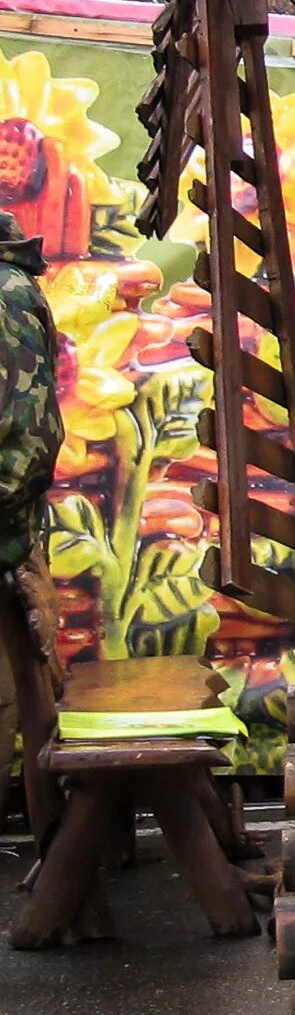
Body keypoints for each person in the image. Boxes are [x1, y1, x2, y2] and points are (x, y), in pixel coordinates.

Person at [0, 211, 63, 830]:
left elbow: (32, 435)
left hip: (4, 545)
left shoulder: (5, 295)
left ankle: (63, 883)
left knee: (18, 700)